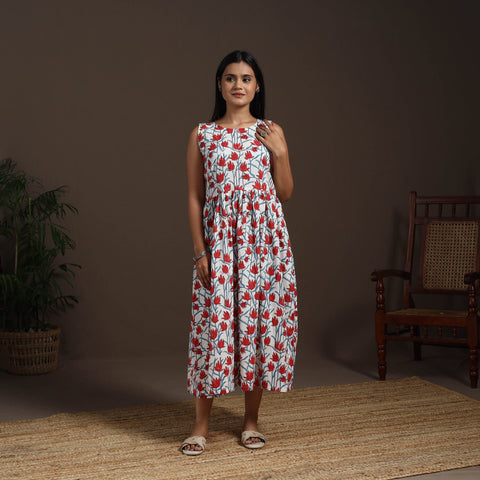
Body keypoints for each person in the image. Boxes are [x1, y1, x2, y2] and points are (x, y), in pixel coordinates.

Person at [183, 50, 298, 455]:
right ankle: (200, 426)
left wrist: (280, 152)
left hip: (265, 245)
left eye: (246, 78)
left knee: (257, 326)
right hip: (218, 245)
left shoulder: (270, 131)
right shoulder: (202, 135)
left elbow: (284, 193)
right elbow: (195, 197)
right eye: (230, 78)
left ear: (257, 86)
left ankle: (251, 422)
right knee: (211, 327)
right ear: (220, 85)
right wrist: (199, 251)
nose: (238, 85)